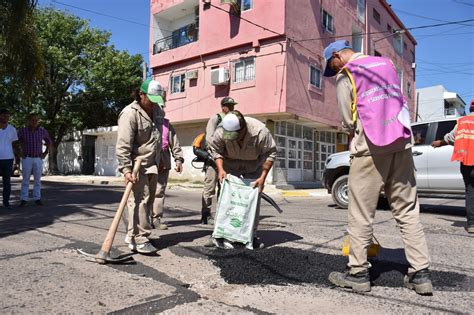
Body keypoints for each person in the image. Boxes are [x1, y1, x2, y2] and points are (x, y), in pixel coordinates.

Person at [322, 40, 432, 295]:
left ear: (337, 55)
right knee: (407, 210)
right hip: (401, 144)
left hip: (369, 148)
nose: (334, 71)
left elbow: (348, 121)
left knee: (360, 212)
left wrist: (349, 129)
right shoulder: (387, 64)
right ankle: (421, 274)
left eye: (332, 65)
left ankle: (358, 273)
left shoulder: (346, 75)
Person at [208, 110, 277, 248]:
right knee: (226, 199)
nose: (233, 139)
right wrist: (221, 169)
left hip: (253, 166)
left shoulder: (259, 132)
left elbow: (271, 152)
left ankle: (251, 235)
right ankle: (220, 234)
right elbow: (215, 149)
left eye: (236, 136)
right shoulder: (222, 130)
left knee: (251, 201)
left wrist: (263, 178)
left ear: (243, 128)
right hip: (230, 166)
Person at [116, 78, 165, 255]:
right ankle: (140, 238)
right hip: (137, 165)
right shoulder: (130, 113)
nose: (153, 104)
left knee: (148, 201)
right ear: (141, 94)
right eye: (150, 100)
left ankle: (132, 235)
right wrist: (126, 169)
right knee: (138, 202)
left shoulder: (158, 110)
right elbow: (123, 144)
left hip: (152, 164)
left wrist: (160, 160)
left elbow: (158, 137)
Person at [431, 99, 474, 234]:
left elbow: (450, 138)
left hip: (468, 162)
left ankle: (472, 224)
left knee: (471, 191)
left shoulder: (463, 121)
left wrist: (439, 142)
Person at [201, 96, 237, 224]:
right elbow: (210, 139)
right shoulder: (216, 118)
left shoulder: (233, 120)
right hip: (213, 158)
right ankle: (206, 214)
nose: (232, 108)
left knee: (224, 188)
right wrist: (216, 155)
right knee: (210, 187)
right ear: (223, 107)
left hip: (226, 160)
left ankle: (221, 215)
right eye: (229, 106)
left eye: (233, 106)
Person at [151, 111, 184, 230]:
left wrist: (178, 160)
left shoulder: (167, 125)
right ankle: (143, 219)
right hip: (148, 159)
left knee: (159, 191)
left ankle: (156, 219)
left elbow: (175, 144)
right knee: (145, 191)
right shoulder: (146, 121)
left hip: (163, 161)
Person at [17, 113, 52, 206]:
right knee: (25, 179)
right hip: (27, 158)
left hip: (38, 158)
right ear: (28, 121)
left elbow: (49, 141)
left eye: (36, 120)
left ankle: (37, 198)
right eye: (32, 120)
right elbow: (15, 141)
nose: (34, 122)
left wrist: (45, 152)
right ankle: (23, 199)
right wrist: (19, 153)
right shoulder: (22, 131)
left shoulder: (42, 131)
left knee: (37, 180)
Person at [0, 109, 18, 209]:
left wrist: (17, 159)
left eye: (7, 116)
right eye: (4, 116)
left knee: (7, 182)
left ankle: (6, 202)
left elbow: (14, 145)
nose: (6, 118)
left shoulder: (12, 129)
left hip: (8, 158)